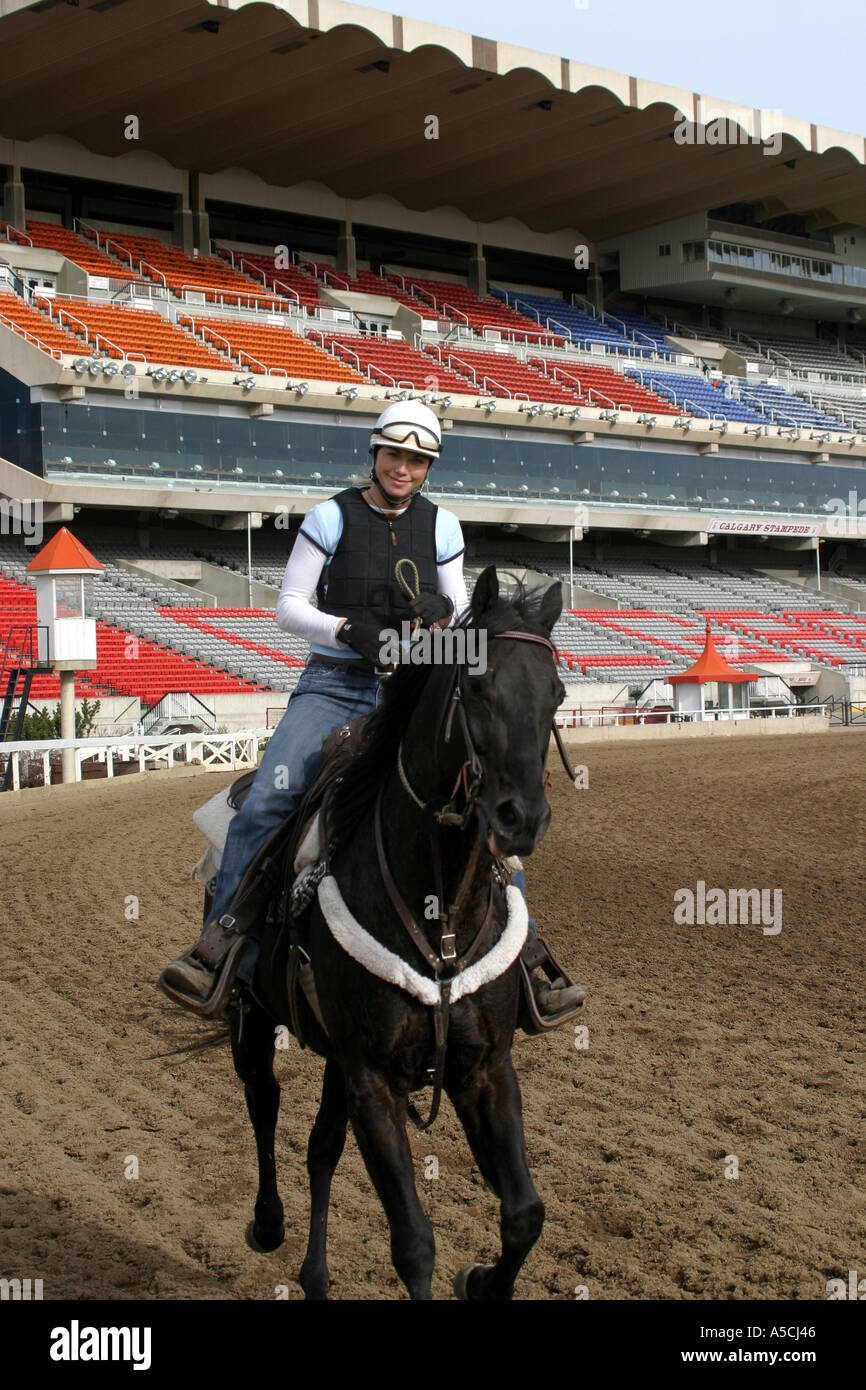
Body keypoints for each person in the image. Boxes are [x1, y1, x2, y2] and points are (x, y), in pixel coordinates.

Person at [159, 400, 584, 1020]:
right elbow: (289, 606)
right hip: (334, 685)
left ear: (428, 467)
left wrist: (449, 618)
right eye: (395, 455)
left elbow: (461, 616)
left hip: (412, 692)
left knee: (484, 799)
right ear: (374, 453)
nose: (404, 468)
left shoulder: (443, 527)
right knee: (268, 802)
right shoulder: (330, 516)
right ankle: (220, 950)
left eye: (417, 460)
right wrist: (345, 630)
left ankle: (524, 961)